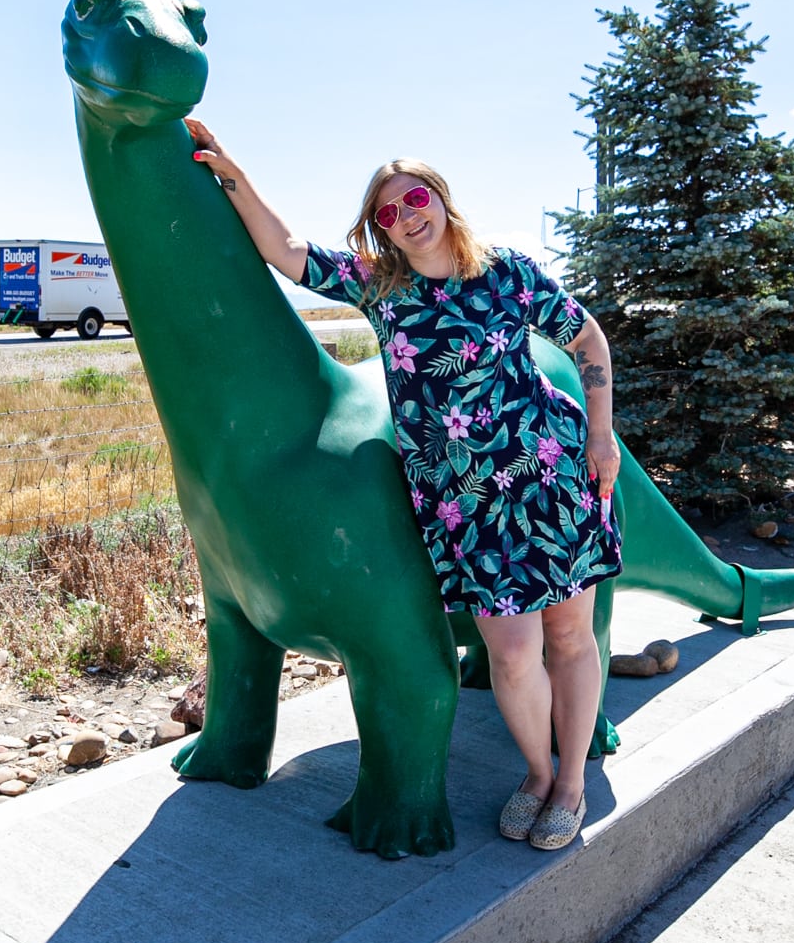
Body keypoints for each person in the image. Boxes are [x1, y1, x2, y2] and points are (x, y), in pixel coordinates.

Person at [186, 120, 622, 851]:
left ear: (441, 198)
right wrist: (231, 174)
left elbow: (586, 339)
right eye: (387, 213)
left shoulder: (506, 272)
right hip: (466, 503)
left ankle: (571, 783)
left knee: (569, 637)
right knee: (511, 653)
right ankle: (537, 773)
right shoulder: (382, 289)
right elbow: (285, 252)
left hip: (550, 475)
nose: (406, 216)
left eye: (414, 198)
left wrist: (602, 435)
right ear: (379, 230)